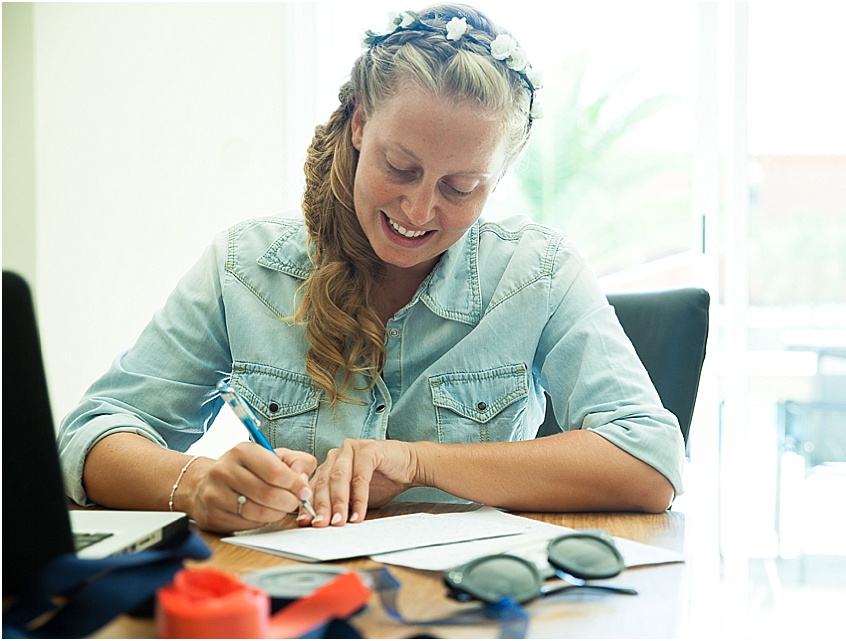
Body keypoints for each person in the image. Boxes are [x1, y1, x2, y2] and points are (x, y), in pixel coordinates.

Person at [57, 3, 685, 535]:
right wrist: (194, 484)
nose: (419, 209)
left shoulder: (540, 274)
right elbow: (89, 437)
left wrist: (417, 462)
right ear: (360, 124)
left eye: (460, 187)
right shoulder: (244, 267)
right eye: (401, 167)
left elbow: (649, 461)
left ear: (498, 179)